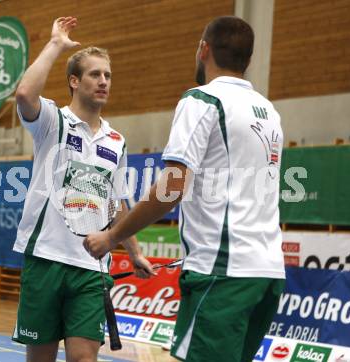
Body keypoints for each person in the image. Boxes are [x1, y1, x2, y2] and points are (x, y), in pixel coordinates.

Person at [84, 16, 286, 362]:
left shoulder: (203, 101)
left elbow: (172, 189)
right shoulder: (269, 112)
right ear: (247, 60)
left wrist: (113, 236)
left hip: (222, 273)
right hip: (267, 275)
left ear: (203, 50)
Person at [12, 17, 154, 362]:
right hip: (45, 258)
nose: (104, 81)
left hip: (91, 267)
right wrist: (56, 45)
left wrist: (133, 252)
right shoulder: (52, 122)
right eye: (95, 74)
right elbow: (25, 94)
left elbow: (118, 201)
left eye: (107, 75)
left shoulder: (117, 141)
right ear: (74, 81)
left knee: (84, 358)